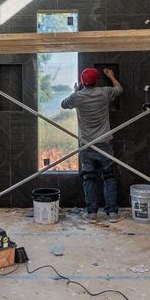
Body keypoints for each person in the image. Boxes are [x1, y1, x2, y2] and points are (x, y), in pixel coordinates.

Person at [61, 67, 123, 222]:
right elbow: (119, 89)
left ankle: (92, 214)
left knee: (89, 178)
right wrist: (111, 76)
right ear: (96, 81)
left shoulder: (78, 97)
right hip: (104, 143)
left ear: (82, 82)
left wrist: (75, 91)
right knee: (108, 177)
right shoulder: (104, 92)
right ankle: (113, 213)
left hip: (87, 146)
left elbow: (63, 104)